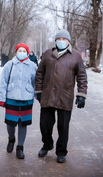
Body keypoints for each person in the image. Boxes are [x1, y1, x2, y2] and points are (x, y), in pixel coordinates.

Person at [35, 29, 87, 163]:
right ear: (56, 41)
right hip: (47, 96)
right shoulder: (47, 54)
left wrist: (81, 94)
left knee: (63, 127)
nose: (61, 41)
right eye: (59, 39)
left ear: (68, 41)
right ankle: (47, 145)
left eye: (64, 39)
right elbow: (39, 73)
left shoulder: (75, 56)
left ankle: (61, 152)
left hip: (65, 96)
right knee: (44, 125)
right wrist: (39, 91)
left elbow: (82, 76)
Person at [0, 43, 37, 159]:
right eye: (20, 50)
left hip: (27, 98)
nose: (22, 52)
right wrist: (1, 98)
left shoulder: (33, 66)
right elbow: (3, 82)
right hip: (11, 98)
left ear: (27, 52)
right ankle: (11, 139)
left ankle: (20, 147)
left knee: (23, 124)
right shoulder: (9, 65)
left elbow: (36, 82)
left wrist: (37, 95)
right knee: (10, 123)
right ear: (16, 52)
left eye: (24, 51)